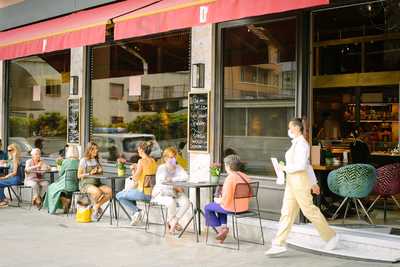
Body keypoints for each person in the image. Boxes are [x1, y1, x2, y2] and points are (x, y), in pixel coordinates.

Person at [265, 118, 338, 256]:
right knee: (286, 212)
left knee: (309, 210)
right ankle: (278, 243)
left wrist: (284, 167)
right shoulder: (296, 144)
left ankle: (331, 236)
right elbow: (308, 165)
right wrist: (314, 183)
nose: (289, 130)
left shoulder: (302, 145)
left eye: (290, 128)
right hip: (293, 182)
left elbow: (301, 166)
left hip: (299, 181)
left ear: (297, 128)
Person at [204, 154, 251, 244]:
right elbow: (250, 194)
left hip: (233, 208)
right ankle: (224, 228)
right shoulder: (246, 177)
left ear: (228, 166)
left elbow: (226, 199)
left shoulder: (230, 178)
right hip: (244, 207)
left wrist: (218, 200)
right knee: (221, 207)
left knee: (208, 207)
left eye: (225, 165)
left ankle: (220, 231)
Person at [116, 141, 157, 225]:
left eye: (138, 149)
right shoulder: (153, 161)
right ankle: (135, 215)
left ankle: (137, 211)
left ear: (141, 150)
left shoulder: (141, 161)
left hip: (143, 193)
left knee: (119, 195)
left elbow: (135, 178)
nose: (137, 151)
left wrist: (133, 169)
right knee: (130, 194)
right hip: (152, 194)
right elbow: (146, 175)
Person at [152, 147, 190, 234]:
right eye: (171, 157)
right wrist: (175, 185)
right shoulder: (162, 168)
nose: (173, 159)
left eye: (174, 157)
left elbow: (186, 177)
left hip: (175, 192)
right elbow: (163, 182)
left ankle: (174, 221)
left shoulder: (178, 167)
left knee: (186, 202)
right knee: (171, 202)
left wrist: (173, 180)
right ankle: (171, 221)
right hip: (161, 193)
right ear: (165, 158)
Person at [78, 142, 112, 219]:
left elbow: (100, 173)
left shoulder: (96, 160)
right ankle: (94, 208)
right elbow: (79, 176)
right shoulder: (83, 160)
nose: (97, 150)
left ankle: (96, 206)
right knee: (98, 192)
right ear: (90, 150)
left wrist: (100, 171)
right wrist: (89, 173)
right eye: (95, 149)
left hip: (97, 183)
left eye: (97, 149)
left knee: (110, 191)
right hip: (86, 184)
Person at [44, 145, 80, 214]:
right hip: (76, 185)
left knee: (51, 187)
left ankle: (64, 201)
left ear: (68, 152)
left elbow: (60, 174)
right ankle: (66, 202)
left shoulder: (66, 161)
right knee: (63, 191)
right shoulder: (79, 162)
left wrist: (59, 166)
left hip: (65, 184)